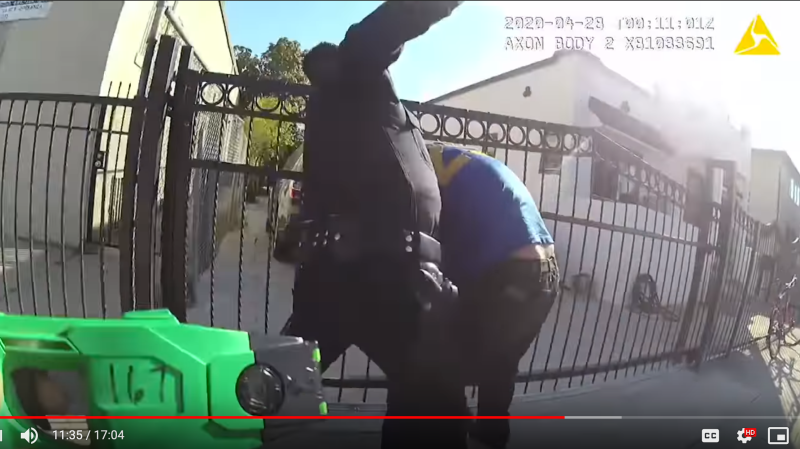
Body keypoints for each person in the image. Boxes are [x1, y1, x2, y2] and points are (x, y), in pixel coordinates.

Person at [283, 2, 467, 449]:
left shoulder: (343, 114)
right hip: (380, 274)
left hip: (364, 272)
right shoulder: (353, 73)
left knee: (275, 385)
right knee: (434, 401)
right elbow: (393, 21)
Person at [426, 143, 560, 449]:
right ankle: (490, 430)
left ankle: (452, 426)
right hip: (546, 271)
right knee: (500, 360)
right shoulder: (458, 160)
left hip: (510, 271)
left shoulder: (422, 169)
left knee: (443, 347)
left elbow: (434, 240)